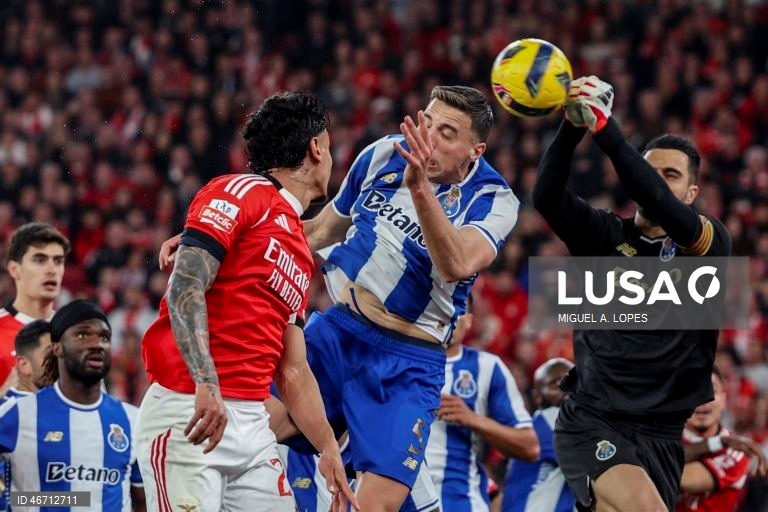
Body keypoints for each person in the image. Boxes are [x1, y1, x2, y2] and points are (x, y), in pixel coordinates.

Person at [160, 85, 520, 511]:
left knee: (375, 505)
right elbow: (319, 230)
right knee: (254, 421)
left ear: (474, 151)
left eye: (447, 132)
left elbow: (456, 264)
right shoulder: (386, 153)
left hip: (406, 360)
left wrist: (420, 189)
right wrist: (222, 237)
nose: (428, 136)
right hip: (339, 330)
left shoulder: (495, 200)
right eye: (427, 121)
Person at [138, 91, 356, 512]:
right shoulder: (241, 191)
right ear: (317, 148)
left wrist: (328, 446)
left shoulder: (297, 245)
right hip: (191, 410)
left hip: (253, 424)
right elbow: (185, 285)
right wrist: (205, 382)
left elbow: (292, 369)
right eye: (330, 146)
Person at [533, 75, 732, 511]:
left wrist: (608, 131)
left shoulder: (708, 243)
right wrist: (572, 126)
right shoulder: (604, 234)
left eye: (671, 175)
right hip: (594, 418)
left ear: (692, 192)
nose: (656, 181)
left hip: (662, 435)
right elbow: (546, 196)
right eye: (649, 168)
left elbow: (657, 198)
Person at [0, 300, 145, 512]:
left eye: (104, 337)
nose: (97, 343)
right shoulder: (18, 413)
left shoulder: (132, 420)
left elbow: (143, 500)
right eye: (83, 335)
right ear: (57, 347)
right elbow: (15, 499)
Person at [425, 303, 537, 511]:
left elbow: (529, 446)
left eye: (457, 309)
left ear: (469, 320)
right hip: (400, 500)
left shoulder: (487, 367)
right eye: (441, 306)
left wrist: (473, 419)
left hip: (461, 502)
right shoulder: (398, 363)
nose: (449, 316)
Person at [677, 367, 767, 512]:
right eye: (696, 392)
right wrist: (718, 443)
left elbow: (680, 477)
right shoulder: (670, 438)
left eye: (711, 391)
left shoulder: (736, 450)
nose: (704, 400)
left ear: (724, 400)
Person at [0, 223, 69, 394]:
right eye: (40, 260)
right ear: (15, 269)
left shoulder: (73, 332)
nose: (52, 269)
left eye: (58, 261)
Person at [502, 358, 575, 512]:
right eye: (556, 383)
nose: (566, 388)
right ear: (537, 397)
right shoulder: (550, 419)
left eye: (572, 381)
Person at [0, 320, 52, 511]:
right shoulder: (10, 414)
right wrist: (72, 499)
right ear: (24, 365)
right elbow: (12, 498)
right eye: (49, 353)